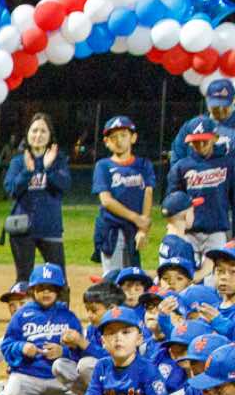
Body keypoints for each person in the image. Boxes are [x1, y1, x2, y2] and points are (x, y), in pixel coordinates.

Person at [58, 308, 166, 395]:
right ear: (103, 341)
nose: (118, 338)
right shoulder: (102, 365)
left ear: (139, 339)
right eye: (111, 333)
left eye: (125, 332)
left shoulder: (147, 369)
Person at [0, 263, 81, 395]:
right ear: (32, 290)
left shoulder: (69, 317)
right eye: (41, 288)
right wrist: (22, 347)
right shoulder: (21, 314)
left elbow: (81, 350)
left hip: (58, 379)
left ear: (59, 291)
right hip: (28, 375)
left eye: (51, 288)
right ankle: (7, 388)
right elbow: (6, 345)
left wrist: (63, 352)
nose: (46, 292)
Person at [3, 113, 69, 283]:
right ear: (28, 134)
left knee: (59, 279)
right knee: (24, 278)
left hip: (50, 227)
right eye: (34, 130)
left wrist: (47, 167)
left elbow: (64, 186)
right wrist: (28, 172)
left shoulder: (58, 160)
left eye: (43, 131)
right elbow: (11, 190)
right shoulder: (18, 162)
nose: (38, 135)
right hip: (23, 228)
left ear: (50, 135)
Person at [91, 115, 156, 274]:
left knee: (134, 278)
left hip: (133, 230)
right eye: (113, 137)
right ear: (106, 142)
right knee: (113, 279)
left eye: (123, 135)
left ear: (133, 138)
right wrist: (136, 218)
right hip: (111, 230)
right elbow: (106, 201)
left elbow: (148, 194)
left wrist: (143, 228)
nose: (119, 140)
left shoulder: (144, 165)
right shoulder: (103, 166)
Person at [166, 125, 233, 258]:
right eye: (196, 142)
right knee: (186, 268)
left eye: (205, 141)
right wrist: (175, 229)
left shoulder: (228, 164)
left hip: (216, 231)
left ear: (215, 138)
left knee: (214, 270)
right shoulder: (181, 167)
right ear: (190, 142)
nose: (201, 145)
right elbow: (173, 203)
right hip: (188, 232)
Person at [168, 77, 235, 166]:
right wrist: (186, 172)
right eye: (215, 106)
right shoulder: (192, 126)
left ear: (233, 100)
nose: (220, 110)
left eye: (224, 105)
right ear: (207, 101)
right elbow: (176, 159)